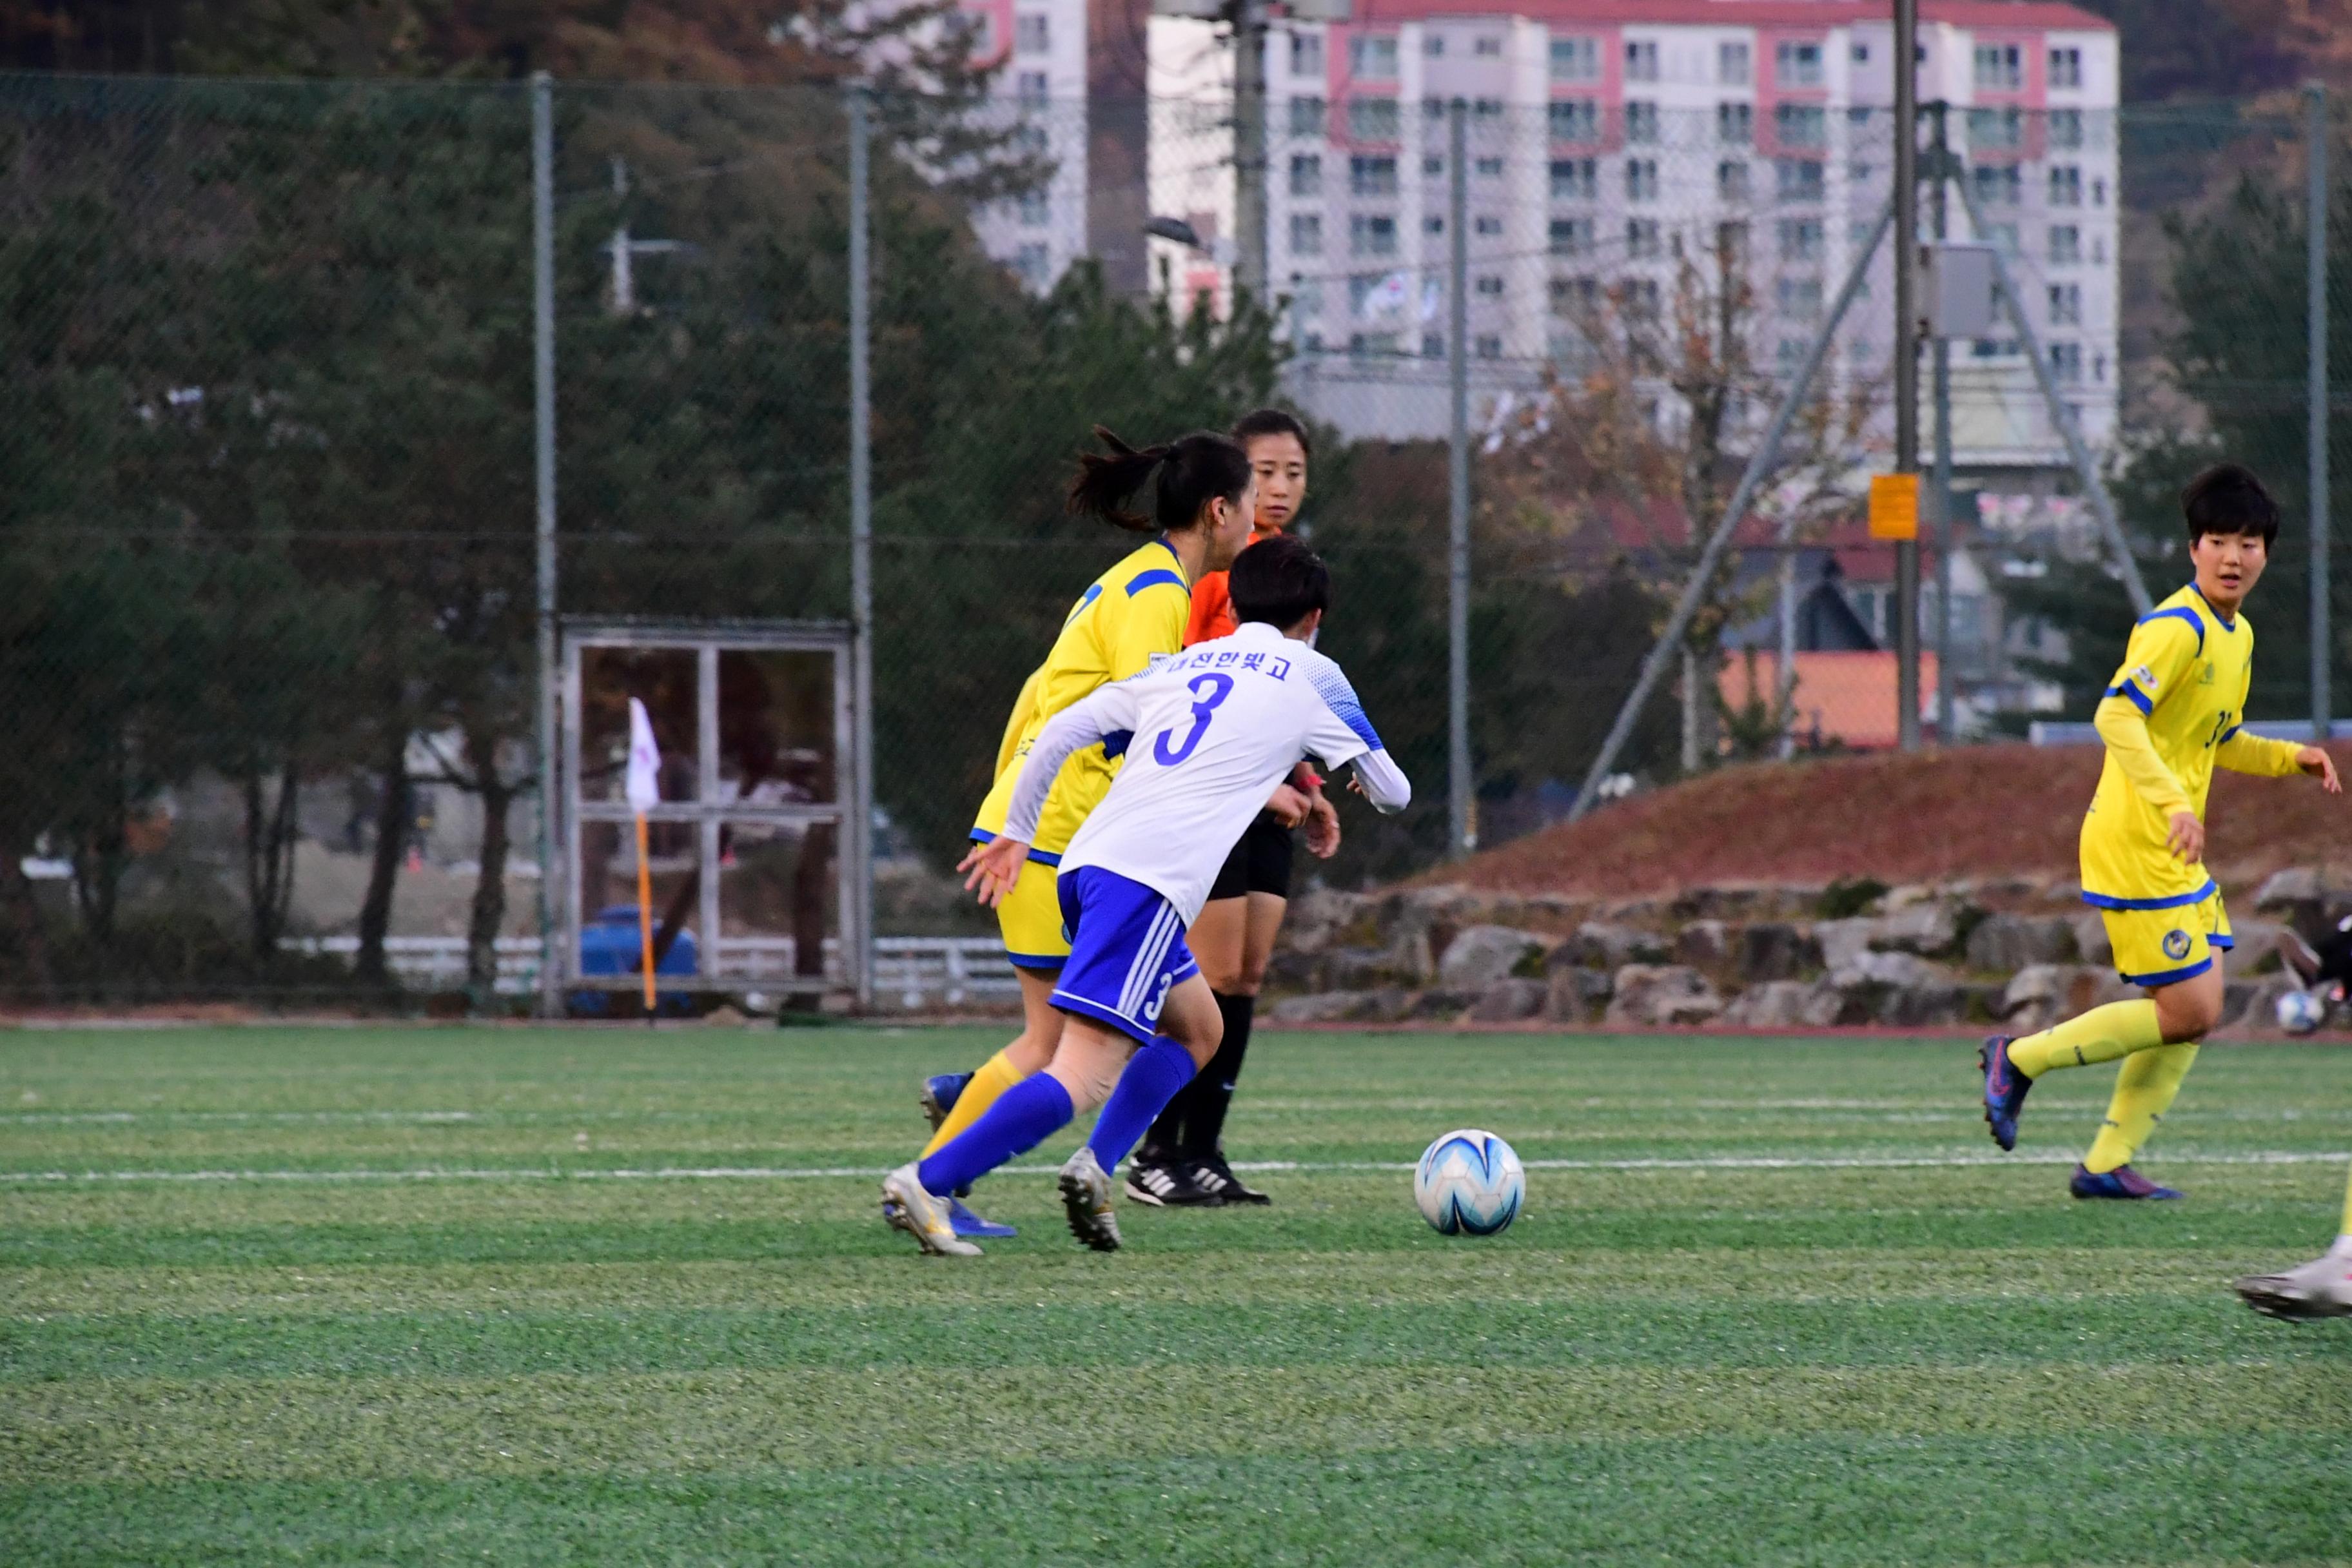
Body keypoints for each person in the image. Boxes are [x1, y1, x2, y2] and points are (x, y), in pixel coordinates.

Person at [882, 536, 1410, 1255]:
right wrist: (1346, 769)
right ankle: (928, 1181)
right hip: (1145, 884)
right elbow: (1394, 791)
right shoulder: (1317, 673)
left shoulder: (1188, 662)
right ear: (1314, 615)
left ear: (1233, 601)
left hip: (1084, 865)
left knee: (1199, 1030)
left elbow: (1066, 725)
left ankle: (1095, 1169)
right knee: (1083, 1069)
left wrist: (1016, 827)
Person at [910, 427, 1273, 1239]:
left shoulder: (1142, 579)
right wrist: (1015, 818)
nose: (1256, 519)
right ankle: (935, 1177)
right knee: (1050, 1044)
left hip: (1058, 832)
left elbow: (1047, 696)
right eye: (1252, 502)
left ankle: (959, 1150)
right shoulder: (1156, 596)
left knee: (1194, 1025)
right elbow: (1147, 719)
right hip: (1064, 841)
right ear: (1220, 511)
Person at [1981, 464, 2340, 1197]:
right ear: (2193, 549)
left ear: (2267, 552)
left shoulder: (2235, 636)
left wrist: (2290, 757)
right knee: (2192, 1006)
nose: (2234, 556)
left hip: (2170, 844)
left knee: (2191, 1012)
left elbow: (2220, 737)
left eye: (2249, 542)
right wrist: (2173, 801)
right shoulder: (2175, 627)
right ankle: (2018, 1059)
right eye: (2218, 540)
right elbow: (2115, 713)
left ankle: (2108, 1163)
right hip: (2137, 839)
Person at [1129, 407, 1326, 1210]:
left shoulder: (1294, 570)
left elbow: (1291, 697)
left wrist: (1309, 787)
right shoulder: (1214, 575)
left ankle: (1204, 1150)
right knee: (1205, 978)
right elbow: (1195, 700)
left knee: (1244, 975)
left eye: (1295, 472)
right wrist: (1262, 782)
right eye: (1266, 473)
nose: (1279, 487)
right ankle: (1153, 1150)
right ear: (1232, 489)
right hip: (1220, 801)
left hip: (1275, 800)